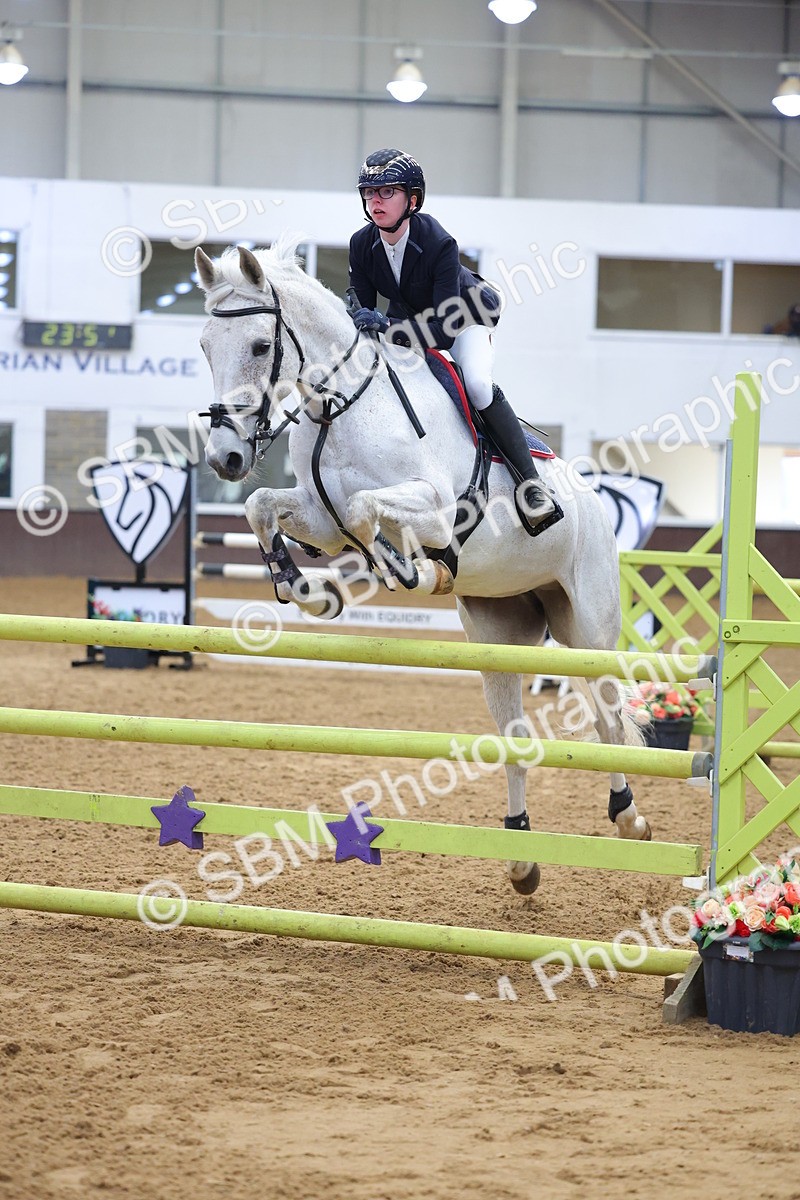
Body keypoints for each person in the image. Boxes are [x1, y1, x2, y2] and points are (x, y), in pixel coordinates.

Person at [347, 147, 556, 534]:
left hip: (464, 316)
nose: (375, 201)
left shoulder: (440, 242)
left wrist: (385, 325)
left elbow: (442, 332)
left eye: (386, 192)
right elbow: (361, 308)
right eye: (369, 193)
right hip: (408, 316)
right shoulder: (361, 243)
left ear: (412, 199)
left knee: (475, 383)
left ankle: (532, 485)